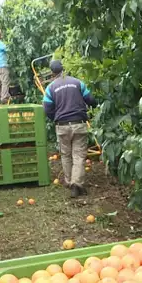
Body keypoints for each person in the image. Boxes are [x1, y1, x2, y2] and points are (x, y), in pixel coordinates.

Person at [43, 60, 97, 198]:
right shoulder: (77, 82)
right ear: (63, 69)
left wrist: (56, 117)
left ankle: (69, 181)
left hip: (62, 126)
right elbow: (91, 99)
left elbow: (47, 108)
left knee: (66, 155)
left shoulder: (50, 88)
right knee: (78, 155)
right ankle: (76, 184)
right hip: (79, 123)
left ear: (52, 72)